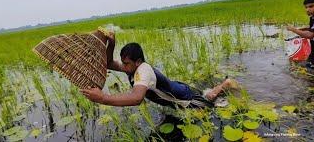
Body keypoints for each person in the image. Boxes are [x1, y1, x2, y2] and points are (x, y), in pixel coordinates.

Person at [80, 32, 239, 108]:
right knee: (207, 94)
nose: (123, 66)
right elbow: (108, 63)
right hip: (177, 88)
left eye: (126, 63)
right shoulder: (133, 68)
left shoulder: (144, 71)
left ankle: (226, 84)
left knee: (211, 102)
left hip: (186, 99)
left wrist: (103, 98)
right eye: (123, 63)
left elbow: (136, 98)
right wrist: (111, 44)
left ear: (138, 61)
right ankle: (223, 85)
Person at [287, 0, 314, 68]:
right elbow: (311, 28)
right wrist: (302, 29)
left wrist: (294, 30)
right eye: (306, 7)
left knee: (305, 69)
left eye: (311, 6)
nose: (307, 9)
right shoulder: (312, 17)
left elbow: (310, 35)